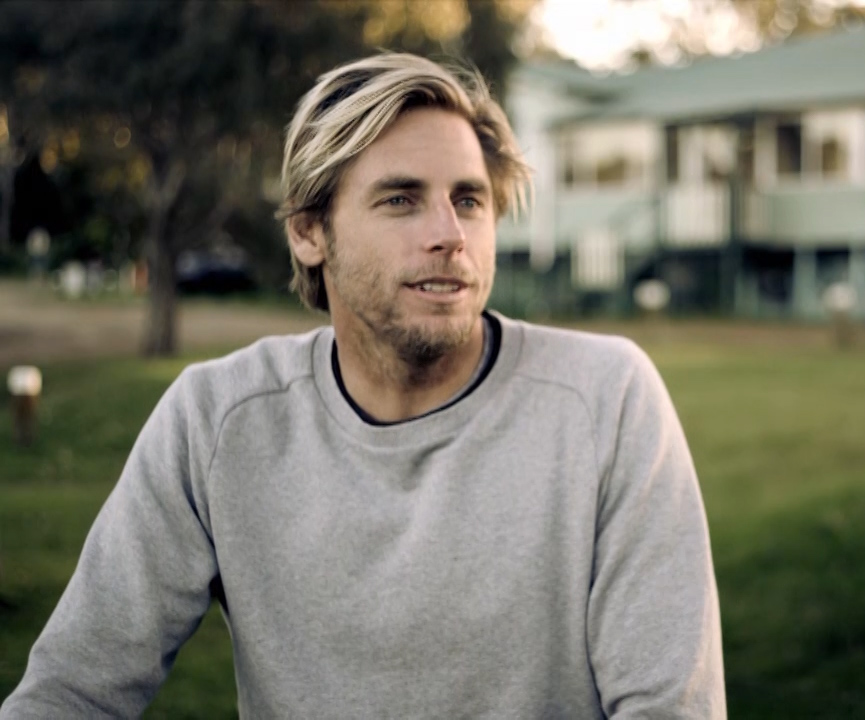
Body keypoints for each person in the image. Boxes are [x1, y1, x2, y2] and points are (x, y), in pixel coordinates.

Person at [1, 53, 725, 719]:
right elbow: (71, 693)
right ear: (308, 233)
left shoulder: (605, 400)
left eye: (469, 200)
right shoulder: (218, 421)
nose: (450, 234)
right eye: (401, 200)